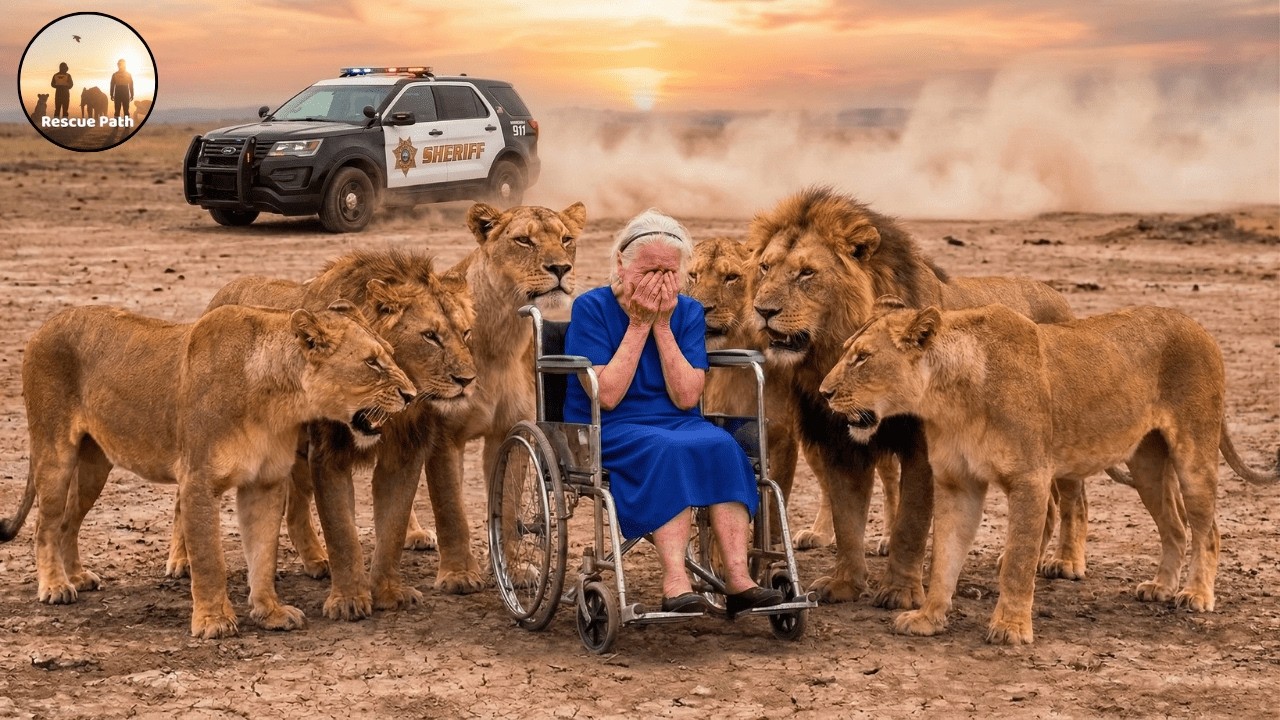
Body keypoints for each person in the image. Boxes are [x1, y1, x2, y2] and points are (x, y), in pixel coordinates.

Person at [562, 209, 785, 617]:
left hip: (677, 419)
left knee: (722, 445)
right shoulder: (591, 308)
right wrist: (638, 324)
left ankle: (737, 577)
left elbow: (686, 397)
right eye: (649, 270)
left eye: (670, 270)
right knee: (667, 450)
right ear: (620, 265)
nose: (660, 280)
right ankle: (675, 580)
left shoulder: (687, 313)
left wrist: (662, 327)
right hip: (606, 425)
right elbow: (606, 395)